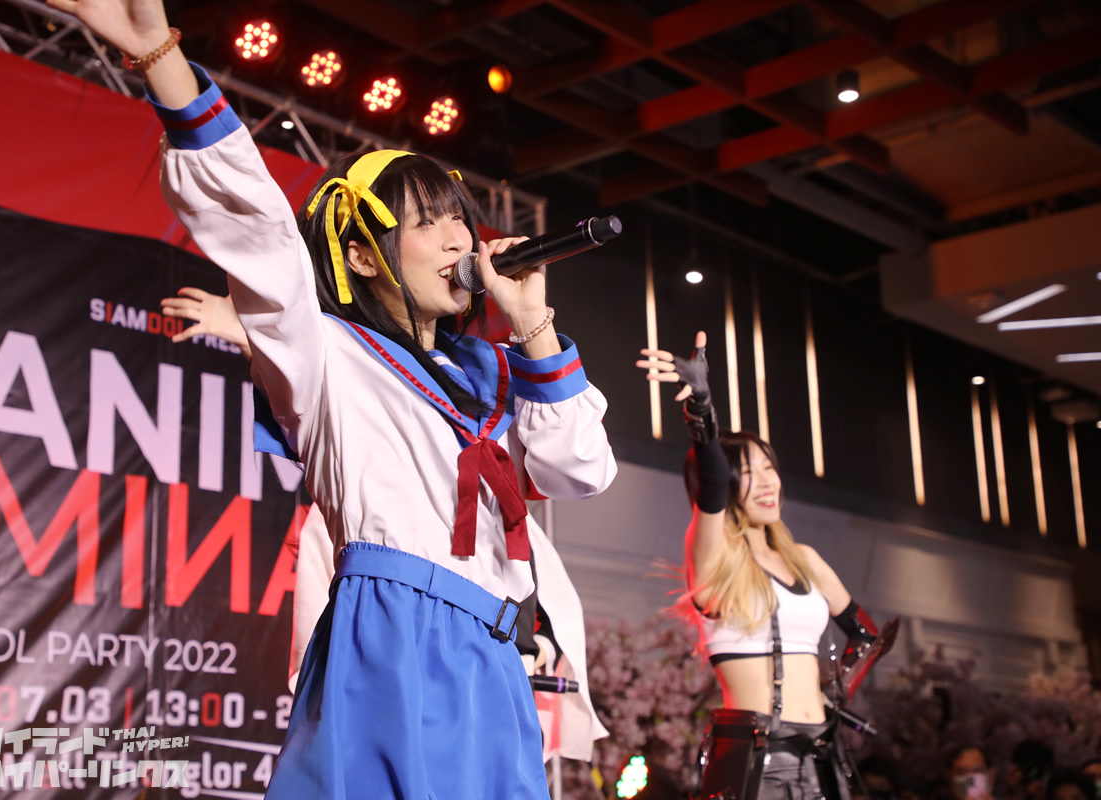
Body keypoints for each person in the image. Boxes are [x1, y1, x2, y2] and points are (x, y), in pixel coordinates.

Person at [49, 7, 619, 797]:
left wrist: (534, 326)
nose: (460, 240)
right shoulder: (325, 353)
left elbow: (580, 470)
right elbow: (258, 231)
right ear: (362, 254)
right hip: (390, 634)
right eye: (428, 224)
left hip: (493, 660)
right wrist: (159, 55)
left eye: (460, 219)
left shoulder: (499, 369)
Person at [161, 287, 610, 761]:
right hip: (390, 684)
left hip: (493, 688)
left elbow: (578, 477)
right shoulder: (347, 503)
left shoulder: (493, 471)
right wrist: (261, 339)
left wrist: (534, 648)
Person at [636, 332, 894, 800]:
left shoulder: (806, 560)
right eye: (747, 472)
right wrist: (702, 409)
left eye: (769, 467)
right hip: (756, 762)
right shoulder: (713, 558)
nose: (765, 482)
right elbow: (713, 483)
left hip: (822, 756)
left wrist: (834, 692)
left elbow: (867, 636)